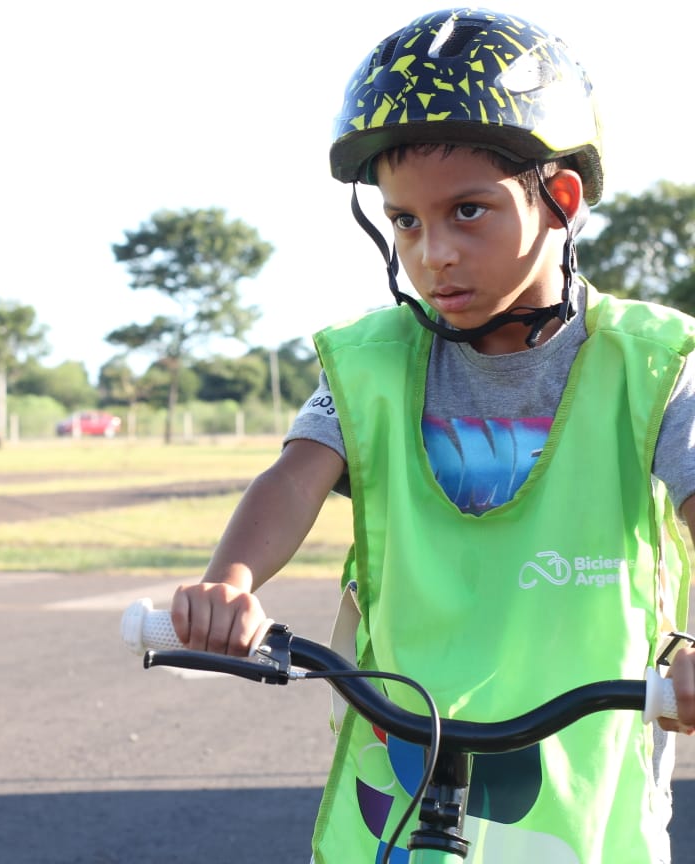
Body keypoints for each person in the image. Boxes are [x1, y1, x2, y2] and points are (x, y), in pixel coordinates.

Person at [168, 8, 695, 862]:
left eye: (468, 212)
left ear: (560, 200)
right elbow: (298, 475)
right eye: (405, 221)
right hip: (403, 772)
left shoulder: (651, 362)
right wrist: (229, 580)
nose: (433, 253)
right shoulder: (376, 360)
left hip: (582, 785)